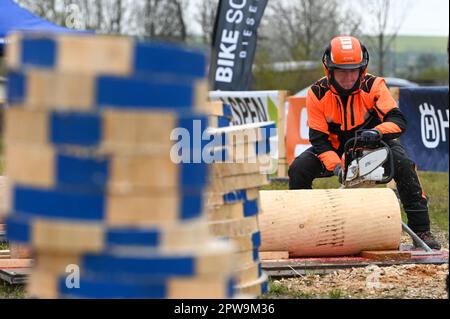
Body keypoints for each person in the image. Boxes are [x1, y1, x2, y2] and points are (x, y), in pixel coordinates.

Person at [288, 35, 441, 249]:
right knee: (298, 168)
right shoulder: (317, 93)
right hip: (333, 149)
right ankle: (300, 229)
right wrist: (336, 166)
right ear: (329, 69)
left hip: (373, 146)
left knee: (404, 164)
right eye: (342, 70)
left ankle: (422, 230)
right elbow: (319, 140)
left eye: (354, 70)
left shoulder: (374, 85)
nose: (349, 77)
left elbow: (398, 120)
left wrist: (377, 132)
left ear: (363, 67)